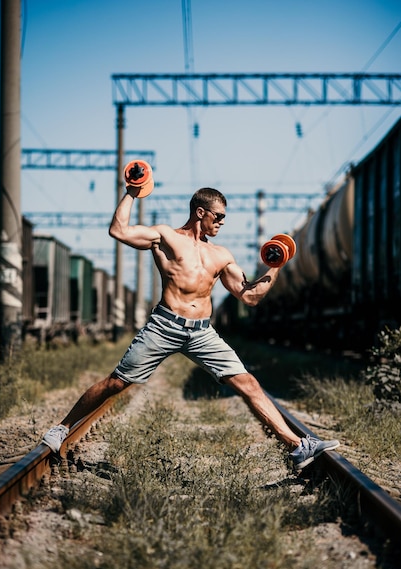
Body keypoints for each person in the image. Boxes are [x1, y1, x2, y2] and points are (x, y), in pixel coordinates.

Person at [42, 185, 339, 470]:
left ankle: (298, 446)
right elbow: (118, 231)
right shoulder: (165, 236)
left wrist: (277, 264)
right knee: (116, 383)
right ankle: (61, 428)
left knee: (248, 383)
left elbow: (249, 297)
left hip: (201, 333)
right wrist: (132, 192)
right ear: (200, 212)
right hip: (164, 325)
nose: (222, 222)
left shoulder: (221, 255)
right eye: (218, 216)